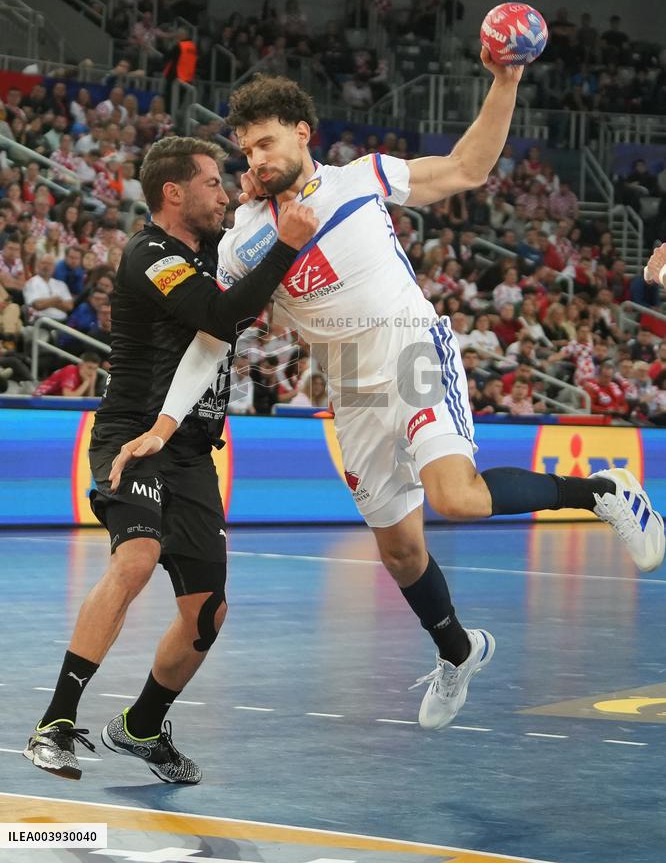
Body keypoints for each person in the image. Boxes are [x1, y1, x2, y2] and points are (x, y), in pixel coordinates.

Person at [111, 68, 664, 738]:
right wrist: (165, 425)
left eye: (265, 143)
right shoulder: (242, 241)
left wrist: (505, 78)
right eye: (247, 150)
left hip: (410, 348)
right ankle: (459, 652)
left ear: (302, 133)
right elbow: (212, 338)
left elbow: (466, 167)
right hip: (350, 388)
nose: (255, 159)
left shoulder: (360, 179)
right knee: (400, 553)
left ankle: (602, 491)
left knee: (454, 497)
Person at [23, 136, 317, 783]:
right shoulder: (149, 254)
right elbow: (218, 314)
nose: (223, 190)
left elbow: (253, 223)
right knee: (137, 558)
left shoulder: (212, 246)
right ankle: (55, 722)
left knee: (208, 614)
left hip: (191, 451)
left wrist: (271, 192)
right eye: (213, 182)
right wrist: (287, 244)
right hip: (133, 436)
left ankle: (143, 726)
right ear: (173, 193)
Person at [33, 352, 101, 397]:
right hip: (41, 398)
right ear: (81, 365)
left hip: (56, 399)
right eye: (89, 368)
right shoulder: (70, 371)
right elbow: (69, 398)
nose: (92, 372)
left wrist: (91, 384)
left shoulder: (87, 376)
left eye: (95, 369)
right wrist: (86, 383)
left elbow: (89, 400)